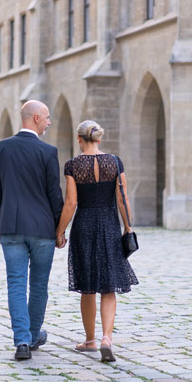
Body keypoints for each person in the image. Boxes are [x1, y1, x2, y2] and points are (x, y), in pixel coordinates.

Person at [55, 120, 138, 362]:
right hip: (109, 225)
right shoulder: (114, 162)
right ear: (99, 139)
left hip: (84, 226)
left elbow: (71, 204)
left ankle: (90, 339)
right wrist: (128, 227)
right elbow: (122, 198)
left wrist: (60, 232)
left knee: (88, 284)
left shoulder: (73, 165)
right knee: (109, 285)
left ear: (79, 140)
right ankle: (106, 338)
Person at [0, 100, 64, 361]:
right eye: (46, 117)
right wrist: (59, 229)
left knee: (16, 284)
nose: (49, 122)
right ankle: (33, 336)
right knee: (39, 284)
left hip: (10, 226)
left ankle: (22, 340)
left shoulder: (0, 149)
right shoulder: (48, 152)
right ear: (35, 118)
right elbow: (54, 195)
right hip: (43, 229)